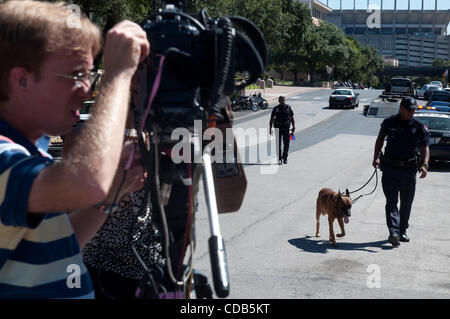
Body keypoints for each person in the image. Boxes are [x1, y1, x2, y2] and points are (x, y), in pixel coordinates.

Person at [0, 0, 149, 298]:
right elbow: (88, 180)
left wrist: (109, 198)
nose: (88, 89)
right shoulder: (4, 158)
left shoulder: (31, 154)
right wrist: (118, 76)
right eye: (77, 75)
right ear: (22, 80)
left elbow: (59, 250)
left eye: (92, 77)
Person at [372, 97, 430, 247]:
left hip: (409, 171)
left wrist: (424, 165)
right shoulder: (389, 122)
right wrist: (375, 158)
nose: (412, 112)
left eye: (414, 110)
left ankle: (402, 230)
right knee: (391, 202)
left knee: (406, 203)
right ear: (401, 108)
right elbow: (380, 140)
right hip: (390, 169)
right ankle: (394, 232)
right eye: (409, 109)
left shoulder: (418, 126)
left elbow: (425, 147)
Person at [269, 96, 295, 164]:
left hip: (286, 128)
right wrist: (270, 128)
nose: (283, 101)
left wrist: (294, 127)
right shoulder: (275, 109)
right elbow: (271, 119)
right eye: (281, 100)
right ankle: (279, 159)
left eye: (283, 100)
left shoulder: (288, 108)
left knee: (286, 144)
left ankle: (285, 158)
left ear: (285, 100)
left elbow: (292, 118)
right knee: (278, 144)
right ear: (278, 101)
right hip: (278, 128)